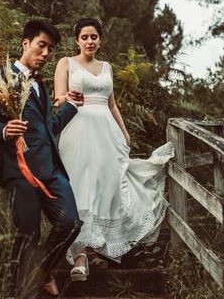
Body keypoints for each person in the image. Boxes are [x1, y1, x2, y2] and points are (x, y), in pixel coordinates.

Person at [53, 17, 173, 281]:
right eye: (84, 37)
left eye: (94, 37)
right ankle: (81, 255)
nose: (89, 41)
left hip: (108, 134)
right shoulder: (67, 64)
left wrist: (124, 131)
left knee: (108, 185)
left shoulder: (106, 66)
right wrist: (68, 98)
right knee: (81, 185)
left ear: (100, 39)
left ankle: (100, 247)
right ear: (77, 40)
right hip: (78, 130)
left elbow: (112, 104)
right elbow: (57, 97)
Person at [0, 19, 83, 299]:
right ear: (25, 44)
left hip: (51, 171)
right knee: (28, 234)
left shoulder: (40, 87)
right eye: (42, 45)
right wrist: (3, 130)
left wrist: (72, 107)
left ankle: (42, 271)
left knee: (71, 223)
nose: (46, 53)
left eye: (50, 49)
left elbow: (47, 128)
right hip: (19, 172)